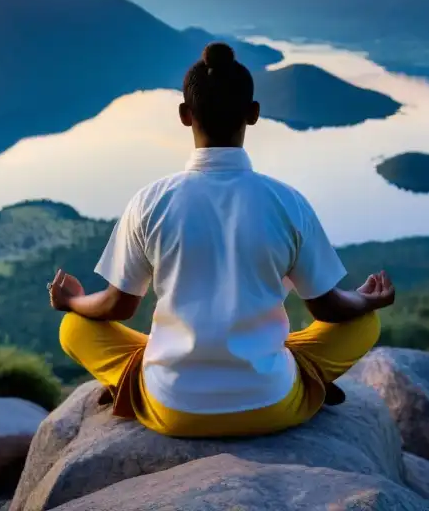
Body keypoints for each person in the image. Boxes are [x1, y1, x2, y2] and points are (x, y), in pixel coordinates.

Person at [49, 41, 394, 438]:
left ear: (184, 115)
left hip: (173, 408)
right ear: (253, 114)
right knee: (363, 324)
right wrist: (365, 300)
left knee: (74, 329)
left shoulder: (150, 202)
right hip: (271, 405)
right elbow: (330, 309)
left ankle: (144, 377)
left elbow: (117, 306)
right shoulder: (287, 202)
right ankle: (294, 374)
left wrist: (71, 300)